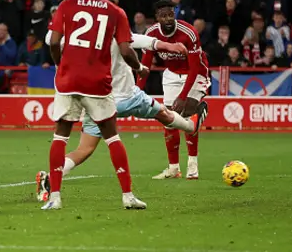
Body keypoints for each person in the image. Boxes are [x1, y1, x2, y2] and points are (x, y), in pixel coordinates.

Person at [36, 30, 208, 202]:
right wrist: (167, 46)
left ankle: (50, 178)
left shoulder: (79, 39)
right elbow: (141, 42)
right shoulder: (112, 32)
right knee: (162, 113)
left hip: (98, 99)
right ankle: (190, 127)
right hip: (127, 97)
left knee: (84, 149)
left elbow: (50, 37)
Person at [42, 0, 146, 211]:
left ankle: (55, 197)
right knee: (112, 137)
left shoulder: (66, 6)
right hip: (97, 83)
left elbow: (54, 41)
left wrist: (60, 65)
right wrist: (139, 67)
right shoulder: (116, 12)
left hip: (68, 81)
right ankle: (128, 196)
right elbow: (125, 49)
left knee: (60, 136)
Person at [137, 0, 211, 180]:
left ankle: (192, 167)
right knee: (168, 120)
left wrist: (184, 95)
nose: (168, 19)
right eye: (164, 16)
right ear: (157, 18)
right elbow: (145, 66)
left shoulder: (189, 33)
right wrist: (136, 91)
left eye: (171, 14)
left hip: (196, 74)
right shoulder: (151, 33)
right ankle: (173, 168)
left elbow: (194, 68)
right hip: (171, 75)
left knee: (187, 113)